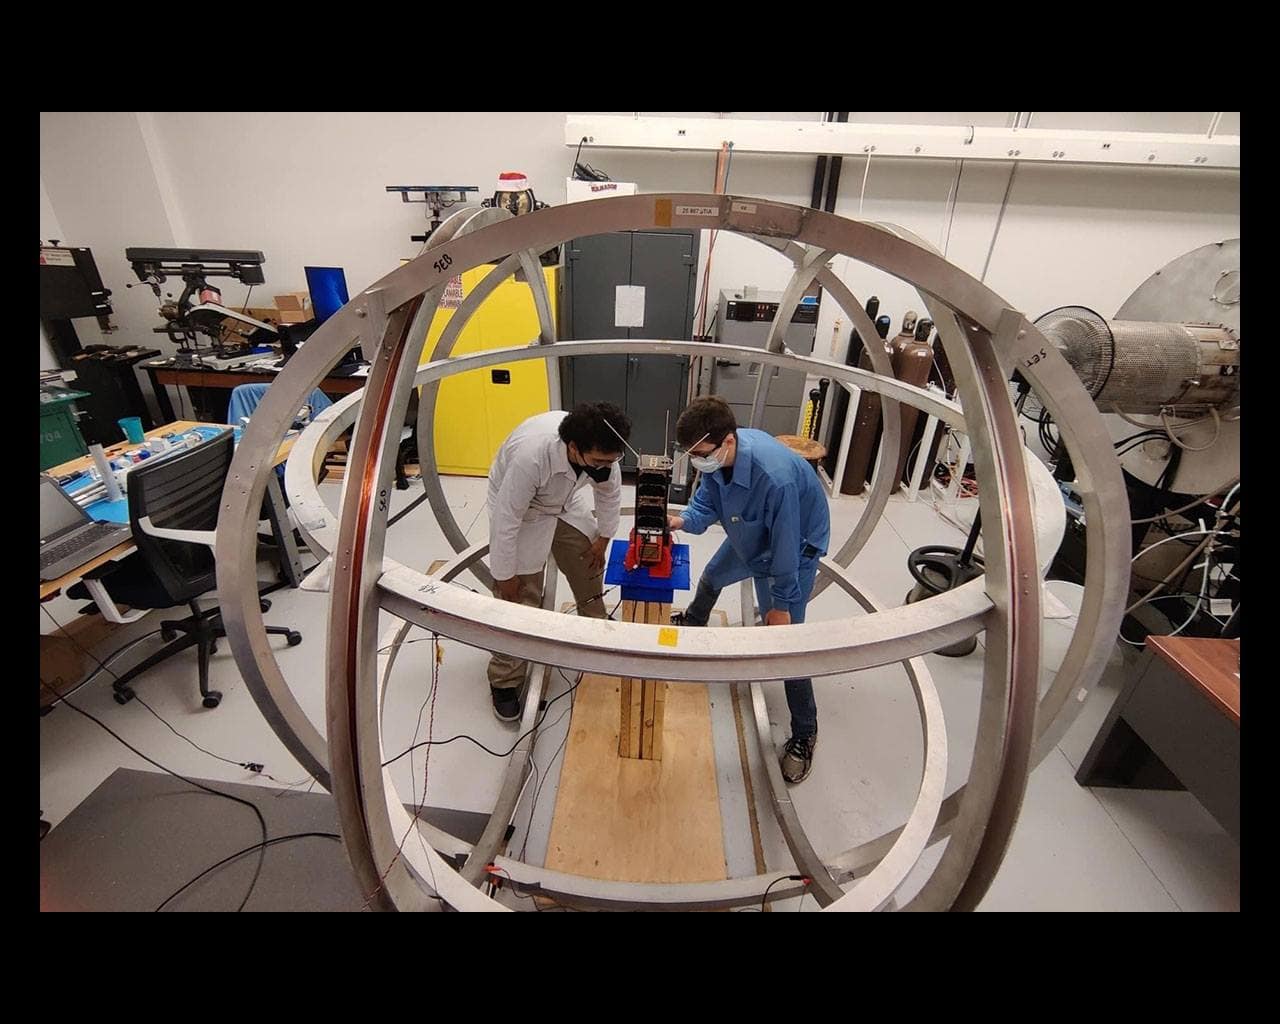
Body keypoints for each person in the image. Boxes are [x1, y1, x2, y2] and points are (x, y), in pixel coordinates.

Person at [668, 397, 830, 783]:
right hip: (750, 530)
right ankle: (694, 620)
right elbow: (706, 503)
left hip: (792, 547)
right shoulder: (719, 458)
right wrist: (679, 520)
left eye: (700, 454)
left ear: (726, 441)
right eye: (691, 455)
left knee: (787, 643)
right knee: (711, 576)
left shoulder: (774, 478)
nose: (696, 461)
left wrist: (783, 605)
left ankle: (805, 731)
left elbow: (786, 545)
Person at [486, 402, 632, 721]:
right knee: (519, 599)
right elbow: (506, 519)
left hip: (563, 503)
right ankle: (505, 679)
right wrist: (504, 574)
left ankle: (595, 630)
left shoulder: (604, 450)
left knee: (589, 564)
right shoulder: (531, 458)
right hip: (521, 510)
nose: (604, 468)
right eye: (598, 462)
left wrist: (603, 540)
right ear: (575, 448)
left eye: (611, 461)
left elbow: (609, 496)